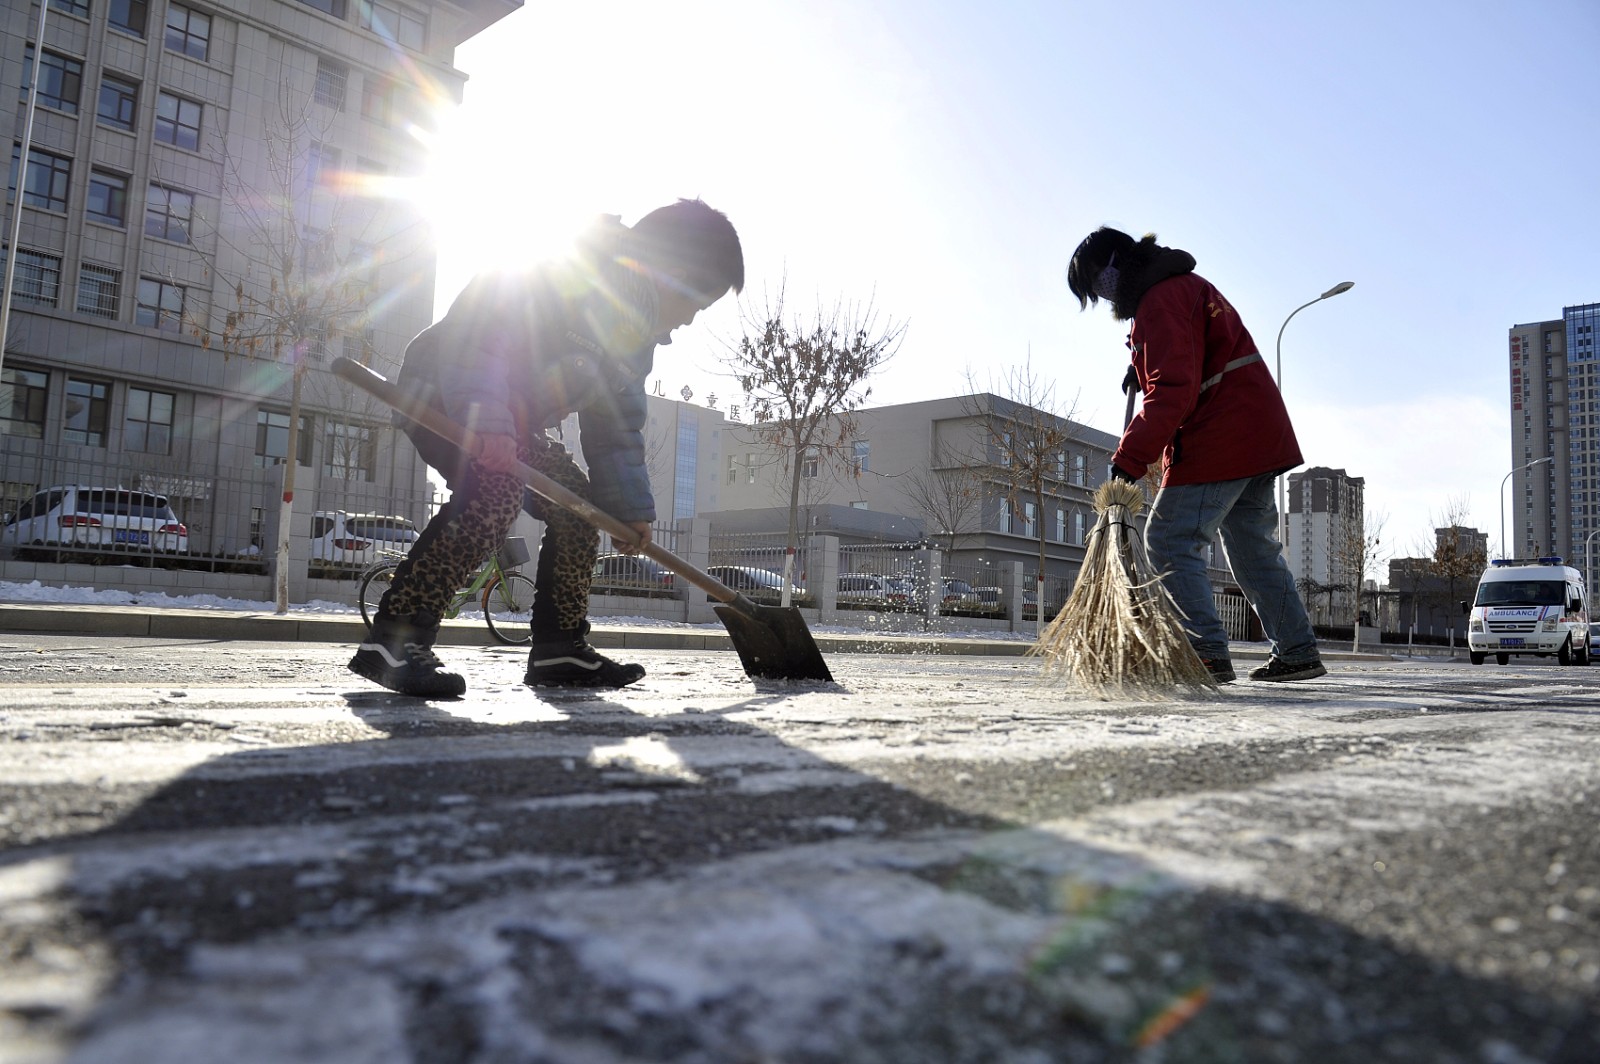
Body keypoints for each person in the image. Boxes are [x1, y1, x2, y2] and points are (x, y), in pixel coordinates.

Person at [350, 199, 744, 697]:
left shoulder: (631, 343)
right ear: (675, 275)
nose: (689, 321)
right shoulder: (571, 267)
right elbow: (480, 335)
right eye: (696, 305)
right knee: (496, 493)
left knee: (578, 510)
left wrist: (628, 510)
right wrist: (488, 418)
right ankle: (394, 640)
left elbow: (616, 429)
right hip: (446, 394)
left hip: (512, 424)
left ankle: (560, 649)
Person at [1066, 226, 1326, 683]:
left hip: (1220, 436)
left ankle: (1203, 650)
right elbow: (1188, 357)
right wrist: (1140, 361)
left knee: (1169, 539)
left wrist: (1129, 458)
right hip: (1253, 434)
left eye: (1094, 284)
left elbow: (1174, 391)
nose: (1100, 296)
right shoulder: (1180, 288)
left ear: (1112, 265)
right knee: (1252, 552)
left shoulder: (1160, 299)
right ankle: (1298, 650)